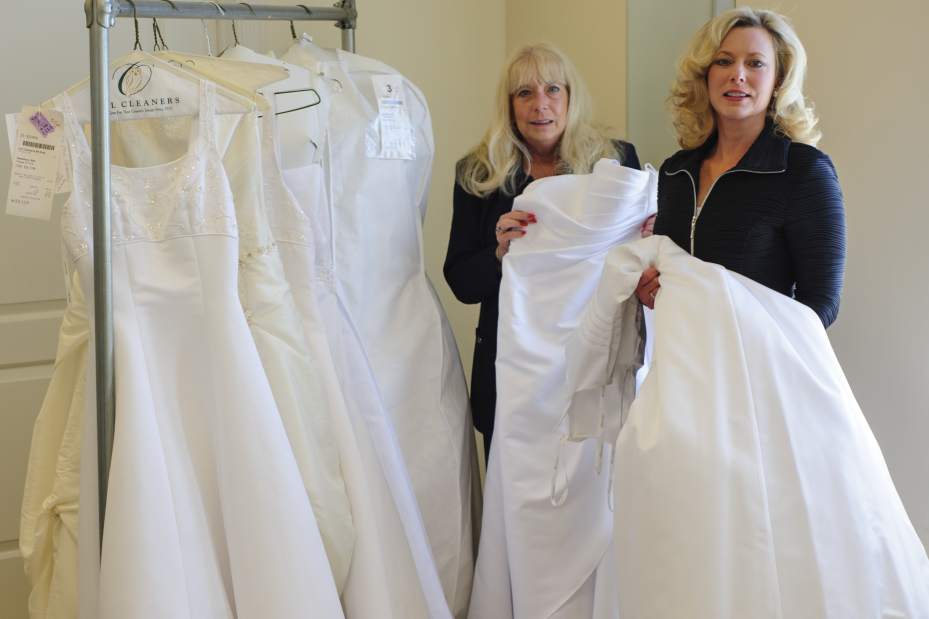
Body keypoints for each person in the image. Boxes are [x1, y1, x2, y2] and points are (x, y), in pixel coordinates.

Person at [443, 43, 640, 461]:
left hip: (591, 355)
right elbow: (461, 280)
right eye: (524, 93)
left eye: (553, 89)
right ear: (509, 105)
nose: (541, 105)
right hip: (511, 362)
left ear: (570, 97)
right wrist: (497, 254)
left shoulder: (616, 160)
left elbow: (642, 250)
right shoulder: (478, 173)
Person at [636, 7, 845, 328]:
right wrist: (651, 290)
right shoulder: (675, 172)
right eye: (723, 61)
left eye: (755, 63)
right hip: (684, 362)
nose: (738, 74)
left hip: (758, 368)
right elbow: (668, 276)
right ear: (705, 75)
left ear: (779, 79)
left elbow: (822, 302)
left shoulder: (803, 171)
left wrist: (750, 345)